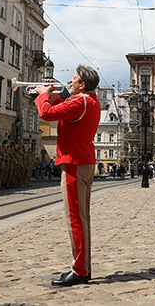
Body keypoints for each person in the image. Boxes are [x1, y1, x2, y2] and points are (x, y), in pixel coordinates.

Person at [36, 65, 102, 286]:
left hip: (74, 162)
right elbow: (63, 113)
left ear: (82, 85)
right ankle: (84, 265)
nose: (70, 82)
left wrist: (43, 95)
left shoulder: (79, 102)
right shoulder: (90, 102)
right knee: (83, 218)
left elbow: (46, 114)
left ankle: (80, 269)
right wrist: (53, 97)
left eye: (73, 80)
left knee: (75, 218)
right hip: (84, 161)